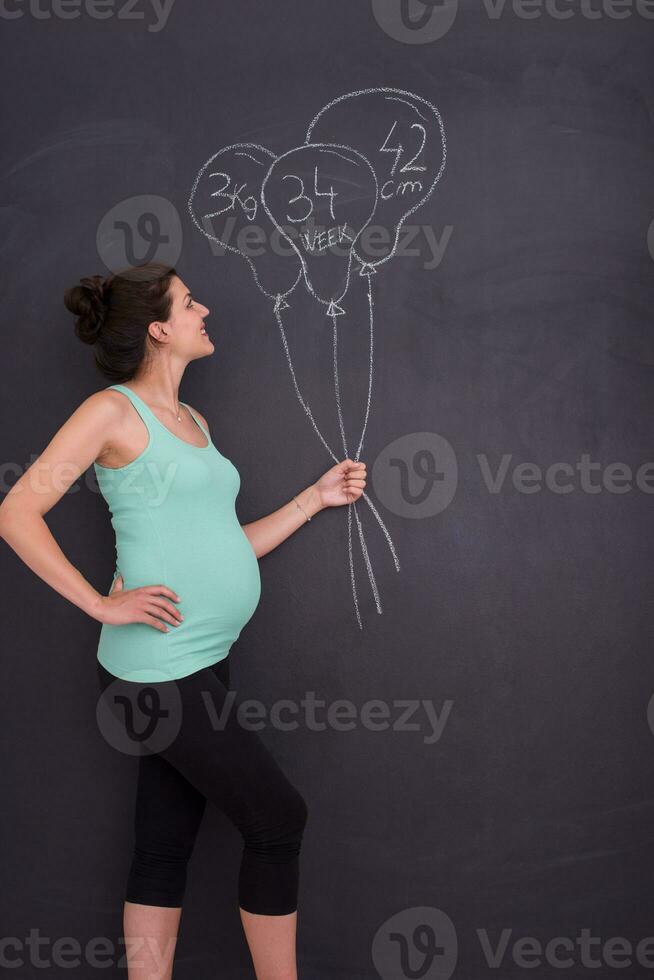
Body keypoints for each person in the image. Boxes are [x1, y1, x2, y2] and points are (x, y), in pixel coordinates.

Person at [0, 262, 367, 980]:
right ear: (160, 329)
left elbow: (224, 543)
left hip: (203, 660)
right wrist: (101, 602)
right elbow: (16, 513)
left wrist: (312, 500)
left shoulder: (193, 421)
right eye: (190, 302)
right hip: (155, 673)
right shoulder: (110, 412)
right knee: (277, 819)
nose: (205, 311)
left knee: (164, 845)